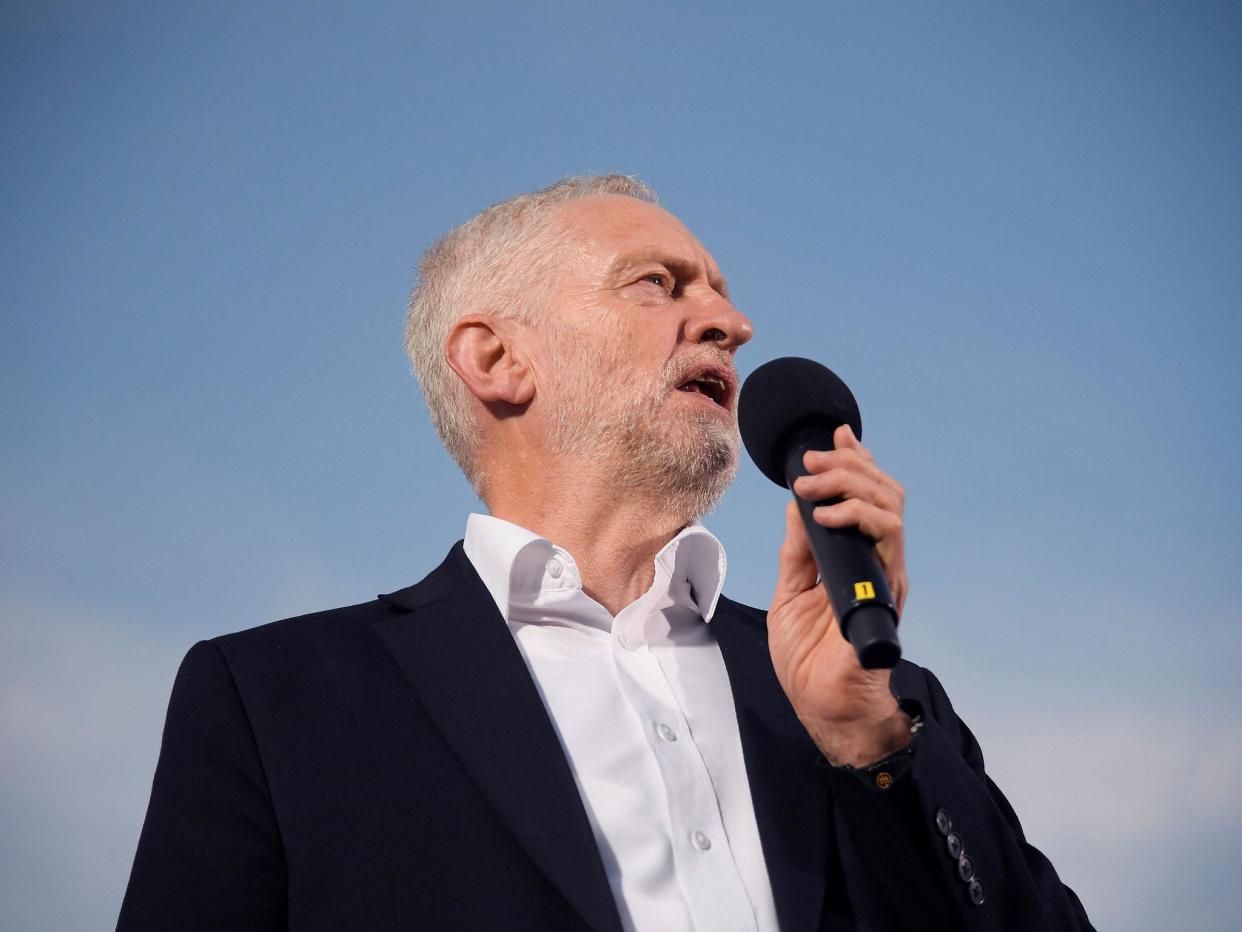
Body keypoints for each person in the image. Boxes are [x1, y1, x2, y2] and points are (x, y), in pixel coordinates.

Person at [118, 175, 1094, 931]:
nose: (731, 322)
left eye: (721, 294)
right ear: (499, 359)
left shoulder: (871, 692)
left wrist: (875, 747)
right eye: (657, 285)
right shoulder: (275, 698)